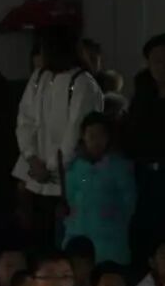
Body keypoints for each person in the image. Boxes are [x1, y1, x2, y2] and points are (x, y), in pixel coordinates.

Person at [14, 25, 102, 243]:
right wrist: (31, 157)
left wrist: (52, 166)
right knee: (37, 238)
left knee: (63, 238)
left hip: (67, 179)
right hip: (36, 176)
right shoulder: (39, 77)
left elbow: (77, 131)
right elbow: (25, 120)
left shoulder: (83, 82)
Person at [62, 112, 136, 266]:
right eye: (92, 136)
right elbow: (69, 200)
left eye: (101, 135)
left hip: (111, 243)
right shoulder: (74, 168)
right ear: (83, 137)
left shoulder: (120, 167)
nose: (96, 141)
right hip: (79, 240)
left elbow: (129, 202)